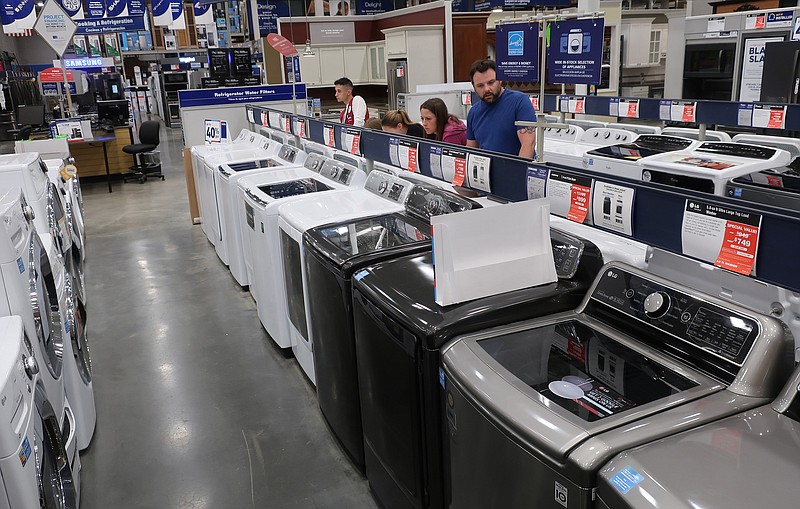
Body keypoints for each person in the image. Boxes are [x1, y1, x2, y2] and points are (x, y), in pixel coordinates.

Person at [466, 59, 536, 158]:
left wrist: (519, 172)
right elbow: (471, 150)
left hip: (515, 170)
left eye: (491, 82)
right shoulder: (474, 112)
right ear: (474, 87)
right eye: (480, 86)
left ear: (500, 80)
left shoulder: (520, 101)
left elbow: (529, 144)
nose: (486, 89)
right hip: (486, 171)